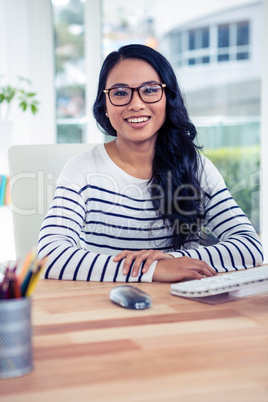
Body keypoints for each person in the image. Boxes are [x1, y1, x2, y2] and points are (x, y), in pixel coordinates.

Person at [37, 44, 263, 283]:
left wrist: (174, 261)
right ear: (105, 105)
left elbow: (249, 246)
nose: (136, 104)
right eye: (121, 92)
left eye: (150, 90)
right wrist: (151, 271)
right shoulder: (81, 170)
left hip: (185, 305)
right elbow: (49, 255)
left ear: (167, 98)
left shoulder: (196, 167)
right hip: (105, 305)